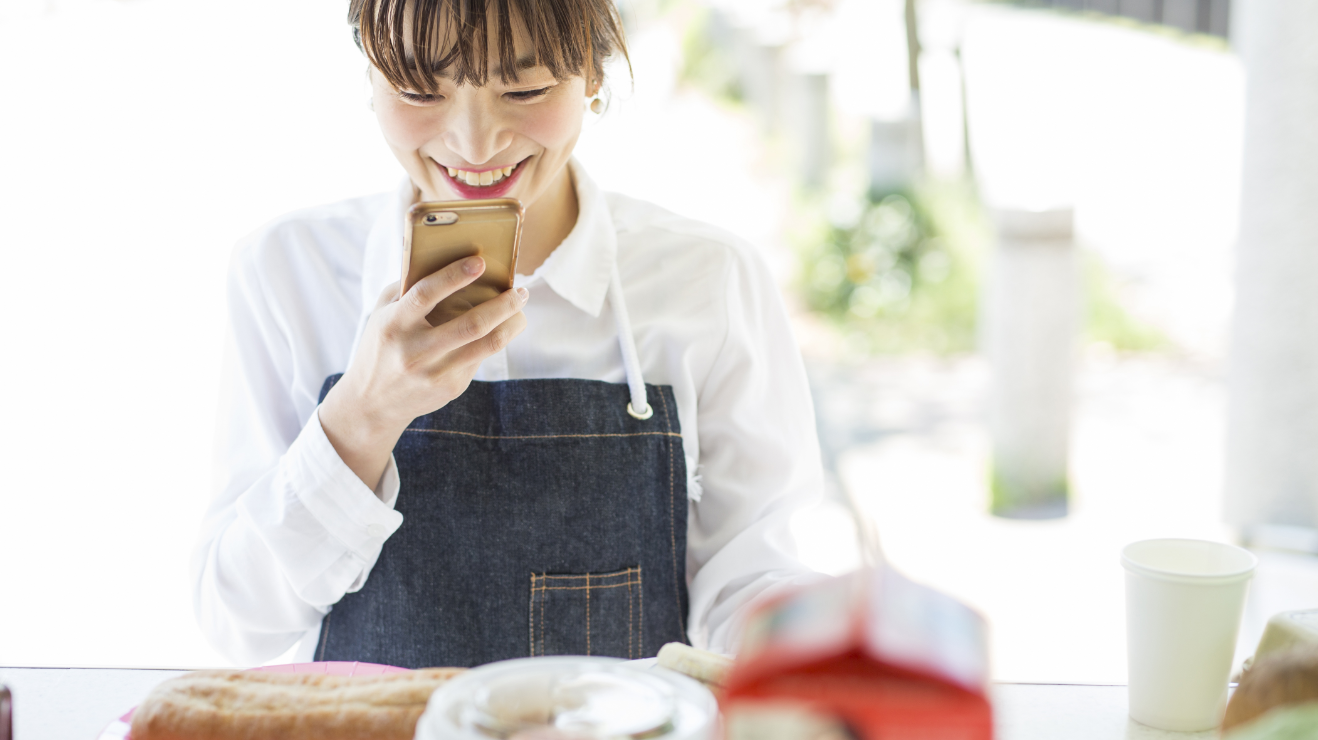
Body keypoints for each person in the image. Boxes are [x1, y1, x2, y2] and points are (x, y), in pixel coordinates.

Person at [192, 0, 826, 669]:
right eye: (417, 89)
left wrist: (804, 656)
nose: (474, 143)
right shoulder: (288, 272)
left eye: (524, 89)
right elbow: (240, 623)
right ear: (369, 79)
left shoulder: (710, 280)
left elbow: (755, 575)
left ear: (593, 75)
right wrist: (360, 418)